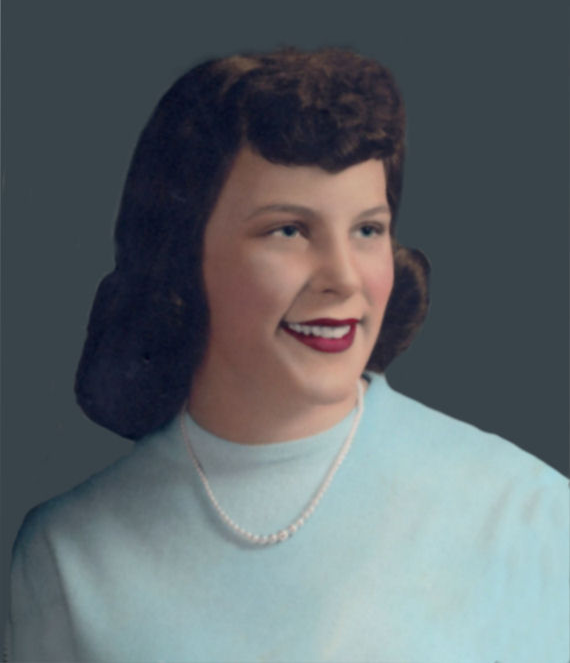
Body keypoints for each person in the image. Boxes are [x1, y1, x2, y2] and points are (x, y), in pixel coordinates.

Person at [6, 48, 568, 662]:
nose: (343, 279)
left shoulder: (530, 517)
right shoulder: (68, 555)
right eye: (289, 230)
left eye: (368, 230)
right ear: (182, 254)